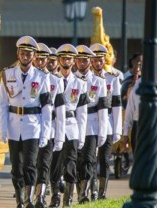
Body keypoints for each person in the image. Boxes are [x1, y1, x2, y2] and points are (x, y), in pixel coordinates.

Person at [0, 36, 52, 208]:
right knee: (16, 166)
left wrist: (45, 132)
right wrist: (2, 129)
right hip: (14, 126)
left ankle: (29, 200)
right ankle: (19, 200)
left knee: (30, 164)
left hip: (32, 126)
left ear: (34, 56)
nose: (25, 56)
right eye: (23, 53)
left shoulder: (41, 77)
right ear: (18, 54)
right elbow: (2, 105)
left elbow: (46, 108)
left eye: (29, 54)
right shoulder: (7, 75)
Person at [48, 44, 87, 208]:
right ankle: (56, 196)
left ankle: (68, 200)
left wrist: (82, 135)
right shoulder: (49, 80)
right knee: (54, 163)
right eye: (63, 58)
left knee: (71, 164)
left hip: (71, 127)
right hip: (54, 125)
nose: (65, 61)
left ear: (73, 62)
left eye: (69, 58)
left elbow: (82, 112)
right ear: (58, 60)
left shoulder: (80, 84)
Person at [73, 45, 107, 204]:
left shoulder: (98, 81)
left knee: (88, 159)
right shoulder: (70, 79)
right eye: (79, 60)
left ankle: (85, 193)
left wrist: (103, 131)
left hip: (92, 124)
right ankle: (81, 189)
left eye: (85, 60)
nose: (82, 63)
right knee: (77, 161)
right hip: (74, 125)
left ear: (90, 61)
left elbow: (103, 109)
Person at [90, 43, 121, 200]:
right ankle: (92, 189)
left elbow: (116, 106)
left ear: (104, 60)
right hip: (90, 123)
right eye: (94, 59)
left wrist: (117, 129)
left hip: (107, 123)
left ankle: (102, 192)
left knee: (104, 159)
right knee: (90, 159)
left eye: (100, 59)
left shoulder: (112, 79)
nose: (97, 62)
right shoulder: (85, 78)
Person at [31, 43, 59, 208]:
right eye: (38, 58)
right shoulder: (29, 78)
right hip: (32, 126)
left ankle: (42, 196)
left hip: (50, 126)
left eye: (44, 59)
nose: (41, 62)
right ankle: (32, 193)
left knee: (46, 162)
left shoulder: (55, 80)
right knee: (31, 163)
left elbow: (59, 110)